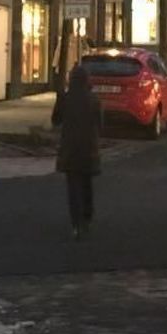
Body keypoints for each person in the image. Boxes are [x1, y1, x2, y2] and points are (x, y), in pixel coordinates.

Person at [51, 64, 103, 239]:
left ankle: (76, 223)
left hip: (70, 148)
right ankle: (87, 217)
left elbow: (56, 120)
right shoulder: (94, 99)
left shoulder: (65, 98)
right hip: (88, 148)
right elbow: (100, 124)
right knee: (86, 183)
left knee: (73, 187)